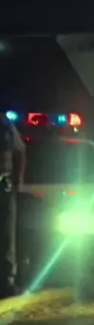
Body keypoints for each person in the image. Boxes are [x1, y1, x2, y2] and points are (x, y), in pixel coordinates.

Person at [0, 113, 26, 299]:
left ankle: (6, 281)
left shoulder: (4, 123)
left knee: (7, 236)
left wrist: (17, 181)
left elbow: (20, 151)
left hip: (4, 186)